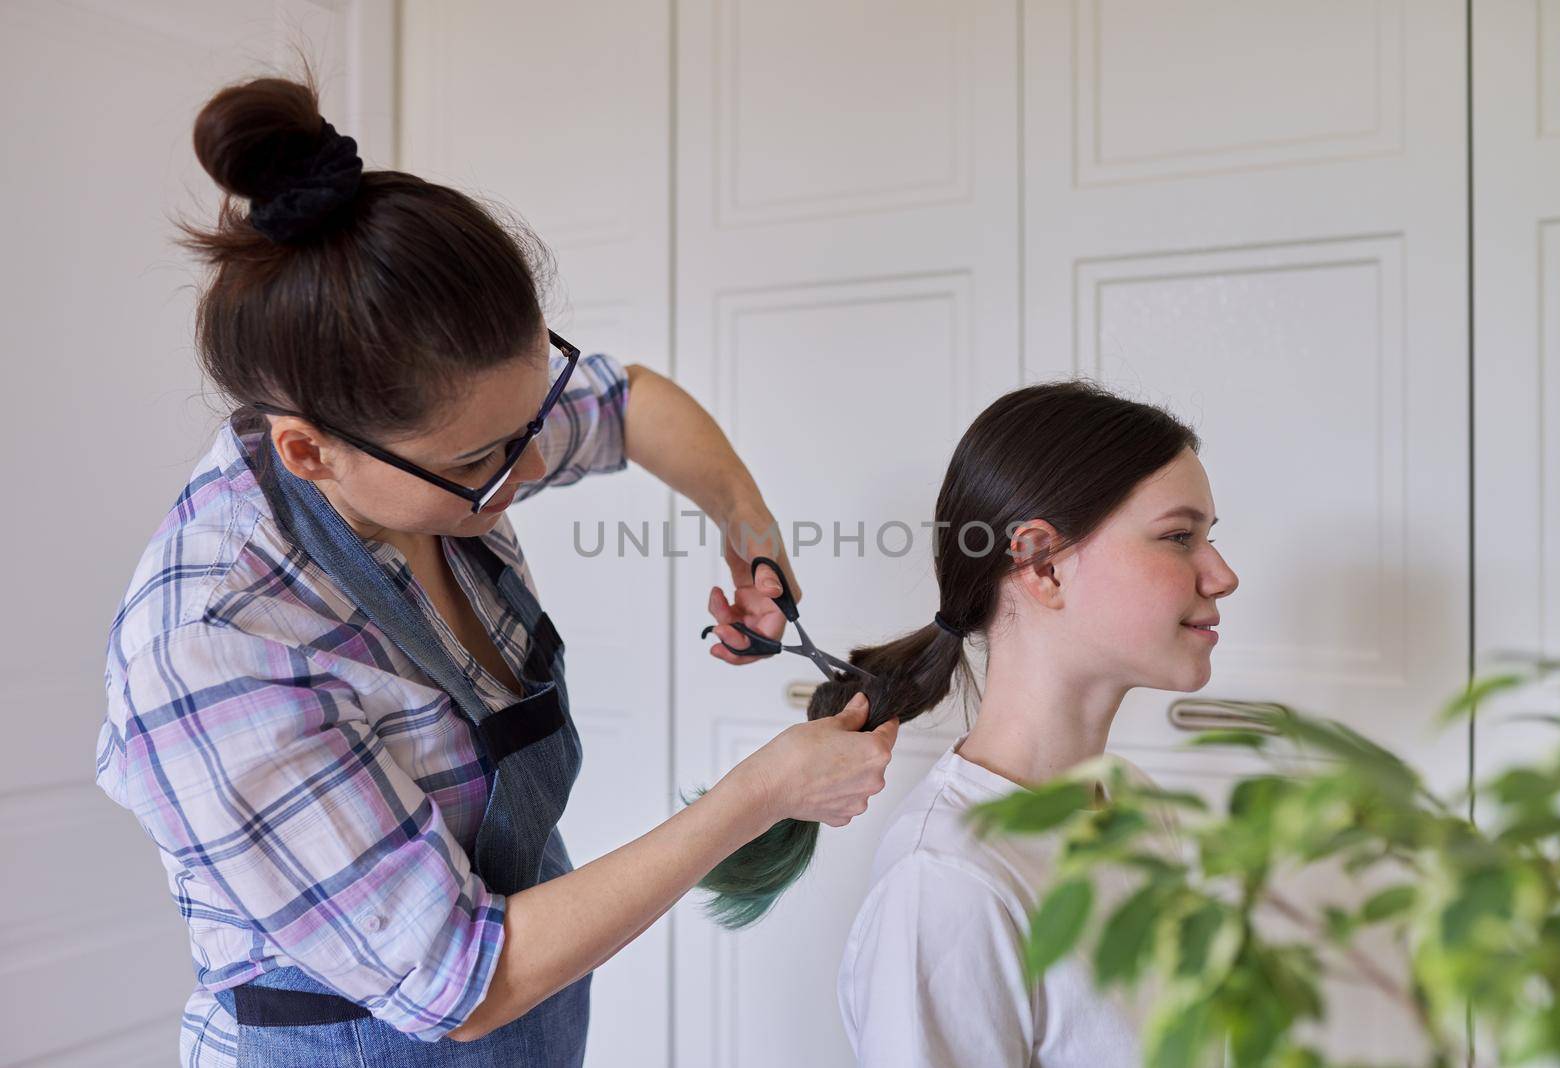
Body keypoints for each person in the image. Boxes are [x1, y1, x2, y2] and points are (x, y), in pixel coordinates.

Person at [93, 72, 897, 1067]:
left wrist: (747, 523)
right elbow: (459, 983)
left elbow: (621, 405)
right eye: (481, 462)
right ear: (309, 452)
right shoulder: (215, 647)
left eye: (525, 425)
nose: (524, 470)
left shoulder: (443, 441)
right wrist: (751, 801)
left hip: (535, 1015)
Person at [830, 380, 1239, 1066]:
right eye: (1179, 537)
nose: (1221, 574)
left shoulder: (1136, 804)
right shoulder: (949, 886)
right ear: (1043, 566)